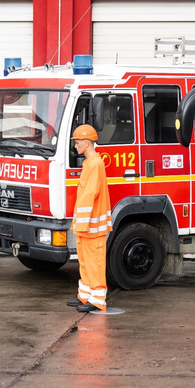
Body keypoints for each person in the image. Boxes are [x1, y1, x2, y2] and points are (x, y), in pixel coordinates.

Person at [67, 124, 112, 313]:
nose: (76, 146)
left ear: (86, 143)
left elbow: (89, 195)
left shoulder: (94, 164)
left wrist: (82, 223)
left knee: (94, 263)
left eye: (77, 143)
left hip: (91, 226)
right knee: (85, 262)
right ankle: (84, 296)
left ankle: (98, 299)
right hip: (86, 226)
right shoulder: (90, 163)